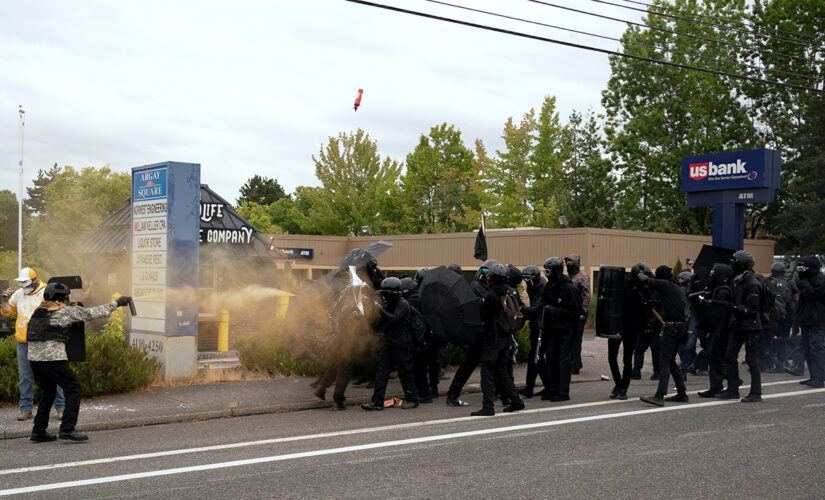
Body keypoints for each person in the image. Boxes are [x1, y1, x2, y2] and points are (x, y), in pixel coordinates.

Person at [26, 282, 130, 442]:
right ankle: (67, 429)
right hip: (53, 359)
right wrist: (117, 303)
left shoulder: (38, 311)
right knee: (74, 388)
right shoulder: (64, 312)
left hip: (34, 360)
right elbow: (92, 313)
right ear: (62, 298)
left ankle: (38, 431)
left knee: (48, 392)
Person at [1, 268, 65, 422]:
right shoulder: (18, 294)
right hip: (23, 342)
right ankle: (26, 410)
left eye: (25, 282)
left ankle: (61, 408)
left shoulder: (46, 292)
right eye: (20, 282)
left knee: (53, 375)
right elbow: (8, 312)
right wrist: (4, 300)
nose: (22, 285)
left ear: (35, 280)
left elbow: (59, 310)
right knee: (25, 377)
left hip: (44, 341)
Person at [471, 264, 524, 416]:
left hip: (492, 339)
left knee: (487, 373)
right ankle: (516, 401)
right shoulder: (509, 292)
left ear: (491, 278)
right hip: (506, 337)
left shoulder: (491, 296)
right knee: (502, 371)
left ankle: (488, 406)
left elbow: (486, 319)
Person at [445, 259, 498, 407]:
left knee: (491, 365)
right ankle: (453, 395)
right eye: (486, 272)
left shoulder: (490, 289)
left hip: (486, 332)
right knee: (469, 366)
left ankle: (499, 394)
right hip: (478, 333)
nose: (487, 275)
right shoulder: (475, 286)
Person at [362, 277, 420, 411]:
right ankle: (377, 401)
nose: (384, 295)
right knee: (381, 373)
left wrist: (379, 307)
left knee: (405, 373)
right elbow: (380, 322)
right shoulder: (389, 304)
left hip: (402, 344)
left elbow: (393, 319)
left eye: (386, 293)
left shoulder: (403, 304)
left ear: (395, 293)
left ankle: (413, 399)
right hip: (389, 343)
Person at [638, 265, 689, 407]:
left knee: (664, 361)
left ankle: (659, 396)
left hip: (671, 328)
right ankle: (682, 393)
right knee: (671, 361)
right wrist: (652, 303)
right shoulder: (676, 286)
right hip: (681, 327)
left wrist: (640, 275)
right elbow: (667, 301)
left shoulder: (665, 284)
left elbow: (647, 281)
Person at [721, 251, 765, 403]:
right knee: (729, 356)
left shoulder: (752, 283)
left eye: (734, 263)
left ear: (741, 264)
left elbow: (752, 308)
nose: (731, 266)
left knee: (751, 359)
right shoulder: (737, 280)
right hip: (738, 324)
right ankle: (733, 389)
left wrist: (736, 307)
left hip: (751, 326)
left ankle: (756, 392)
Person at [540, 257, 583, 402]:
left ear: (556, 271)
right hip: (553, 330)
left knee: (564, 362)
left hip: (567, 331)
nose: (546, 274)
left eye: (548, 271)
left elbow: (575, 312)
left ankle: (563, 392)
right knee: (550, 359)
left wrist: (555, 310)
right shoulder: (549, 286)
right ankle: (552, 390)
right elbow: (543, 302)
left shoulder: (570, 288)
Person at [607, 264, 649, 400]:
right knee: (612, 357)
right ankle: (618, 384)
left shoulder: (642, 289)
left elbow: (644, 309)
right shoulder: (622, 285)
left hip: (631, 327)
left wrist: (644, 326)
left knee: (627, 359)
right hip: (617, 324)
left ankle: (624, 387)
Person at [697, 263, 735, 398]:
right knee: (715, 356)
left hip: (721, 330)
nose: (712, 276)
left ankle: (723, 384)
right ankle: (717, 385)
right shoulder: (719, 289)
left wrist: (706, 303)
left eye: (715, 273)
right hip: (719, 329)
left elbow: (720, 311)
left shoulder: (723, 290)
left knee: (716, 357)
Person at [795, 256, 825, 388]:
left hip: (817, 319)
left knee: (816, 348)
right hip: (806, 318)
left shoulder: (821, 280)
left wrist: (805, 284)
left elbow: (813, 295)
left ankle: (819, 378)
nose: (800, 271)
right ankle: (814, 376)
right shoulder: (806, 279)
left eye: (803, 268)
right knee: (807, 348)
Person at [519, 265, 549, 398]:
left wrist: (520, 309)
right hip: (536, 324)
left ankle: (529, 388)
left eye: (527, 278)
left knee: (535, 357)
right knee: (538, 358)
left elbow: (537, 308)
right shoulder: (534, 286)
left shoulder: (542, 287)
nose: (525, 282)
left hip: (541, 327)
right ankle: (548, 385)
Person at [764, 262, 799, 373]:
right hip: (786, 315)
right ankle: (782, 363)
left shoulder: (766, 282)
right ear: (783, 272)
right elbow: (796, 299)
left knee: (770, 338)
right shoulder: (790, 283)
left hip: (770, 316)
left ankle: (768, 362)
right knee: (783, 338)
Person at [631, 263, 661, 380]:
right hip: (644, 323)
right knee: (639, 348)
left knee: (655, 349)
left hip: (655, 322)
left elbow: (660, 307)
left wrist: (652, 322)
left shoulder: (656, 287)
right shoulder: (639, 288)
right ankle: (636, 371)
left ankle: (657, 371)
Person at [565, 254, 590, 375]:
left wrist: (583, 311)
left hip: (579, 312)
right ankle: (575, 362)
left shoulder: (582, 277)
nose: (568, 265)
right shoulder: (569, 276)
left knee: (576, 339)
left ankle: (575, 365)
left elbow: (586, 295)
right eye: (567, 263)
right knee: (571, 338)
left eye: (570, 263)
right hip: (570, 311)